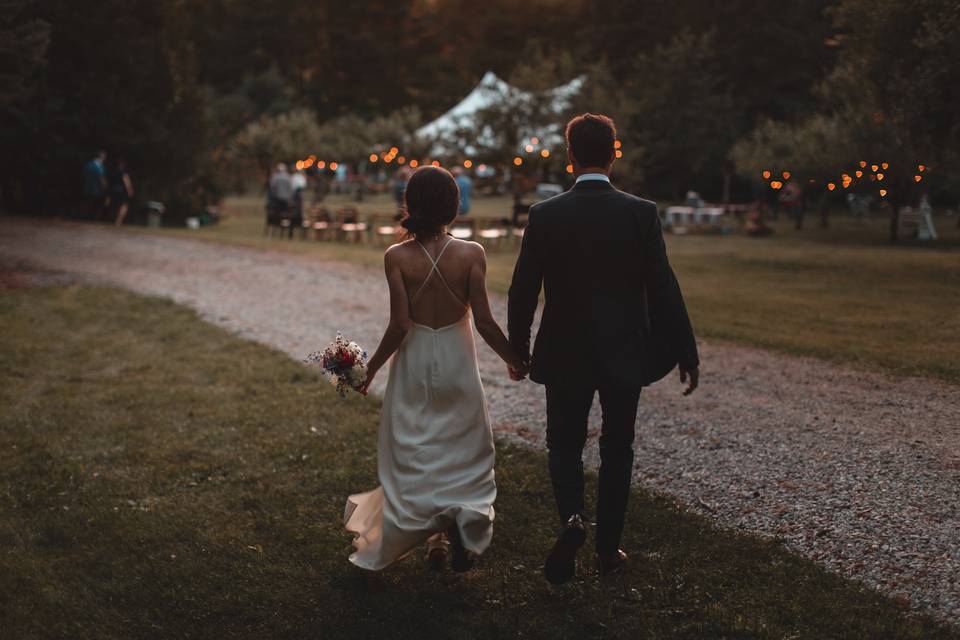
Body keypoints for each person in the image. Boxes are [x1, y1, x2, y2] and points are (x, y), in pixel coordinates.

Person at [507, 113, 700, 585]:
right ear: (614, 153)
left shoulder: (545, 214)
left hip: (565, 350)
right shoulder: (640, 213)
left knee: (563, 444)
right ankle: (609, 549)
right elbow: (664, 287)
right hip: (623, 352)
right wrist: (686, 352)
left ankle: (573, 518)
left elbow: (522, 289)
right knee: (618, 448)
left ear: (569, 155)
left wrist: (519, 348)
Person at [345, 166, 527, 572]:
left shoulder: (396, 257)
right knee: (460, 449)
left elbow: (399, 325)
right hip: (458, 362)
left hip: (412, 364)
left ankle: (436, 539)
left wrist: (370, 370)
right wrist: (514, 359)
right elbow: (484, 321)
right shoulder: (472, 254)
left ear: (410, 204)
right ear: (453, 205)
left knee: (416, 449)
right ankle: (457, 524)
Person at [109, 156, 135, 227]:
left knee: (115, 205)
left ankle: (113, 220)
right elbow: (126, 181)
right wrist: (130, 190)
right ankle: (118, 221)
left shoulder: (113, 171)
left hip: (114, 190)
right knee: (124, 206)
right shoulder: (123, 172)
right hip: (122, 191)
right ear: (122, 164)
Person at [82, 150, 108, 220]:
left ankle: (87, 217)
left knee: (90, 203)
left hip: (89, 187)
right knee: (94, 203)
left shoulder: (89, 164)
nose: (104, 159)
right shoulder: (98, 166)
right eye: (103, 157)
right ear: (100, 157)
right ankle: (91, 217)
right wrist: (105, 186)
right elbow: (101, 178)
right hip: (95, 188)